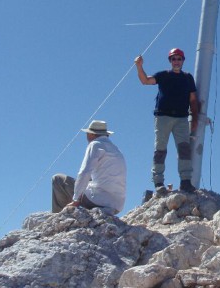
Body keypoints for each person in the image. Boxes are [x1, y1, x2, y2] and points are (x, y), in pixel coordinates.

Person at [135, 48, 199, 195]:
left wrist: (194, 118)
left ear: (183, 61)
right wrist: (139, 66)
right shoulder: (163, 75)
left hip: (182, 119)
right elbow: (145, 81)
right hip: (163, 117)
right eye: (174, 59)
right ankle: (158, 182)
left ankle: (185, 182)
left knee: (184, 149)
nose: (176, 61)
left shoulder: (188, 78)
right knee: (160, 149)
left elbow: (193, 100)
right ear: (170, 61)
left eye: (179, 59)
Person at [51, 120, 126, 215]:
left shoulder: (95, 144)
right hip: (117, 206)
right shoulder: (116, 150)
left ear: (91, 135)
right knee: (89, 180)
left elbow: (85, 172)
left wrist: (76, 199)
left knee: (58, 179)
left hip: (98, 201)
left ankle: (58, 217)